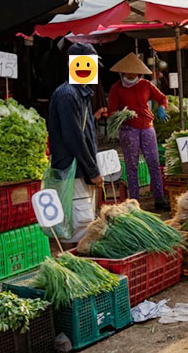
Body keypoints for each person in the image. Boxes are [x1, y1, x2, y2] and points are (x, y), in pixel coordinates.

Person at [48, 43, 103, 244]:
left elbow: (85, 134)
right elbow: (74, 138)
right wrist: (92, 169)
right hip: (73, 168)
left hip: (82, 168)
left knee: (84, 218)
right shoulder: (67, 95)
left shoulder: (82, 93)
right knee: (78, 222)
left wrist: (93, 168)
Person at [107, 53, 169, 211]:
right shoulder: (116, 88)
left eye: (134, 71)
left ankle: (159, 198)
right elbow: (112, 111)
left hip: (147, 128)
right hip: (128, 130)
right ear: (122, 72)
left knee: (154, 163)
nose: (131, 74)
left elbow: (162, 98)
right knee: (131, 165)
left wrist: (161, 108)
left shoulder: (146, 85)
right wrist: (122, 115)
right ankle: (134, 201)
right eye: (128, 72)